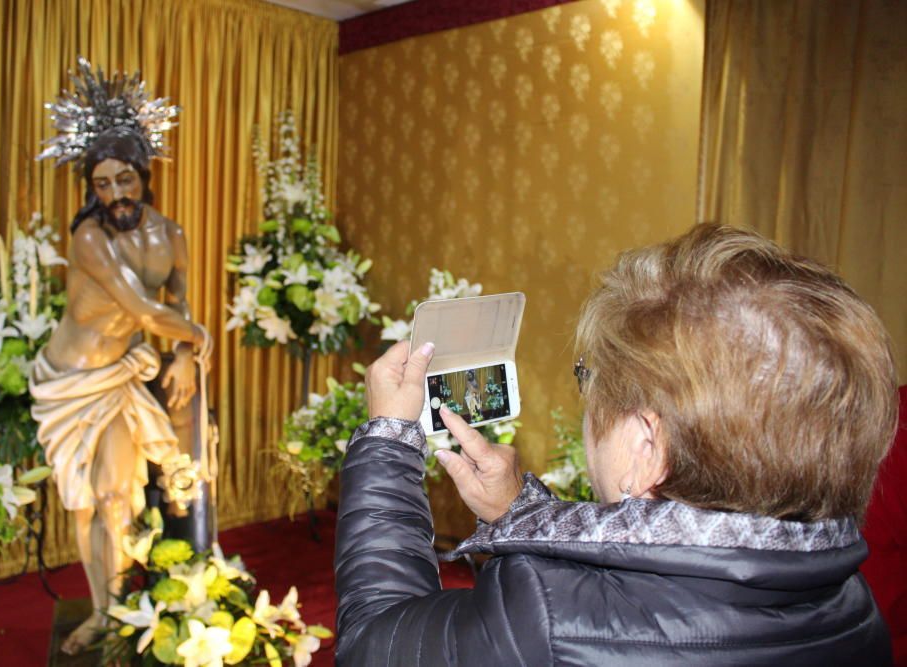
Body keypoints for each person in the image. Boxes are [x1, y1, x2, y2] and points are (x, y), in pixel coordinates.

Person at [334, 224, 897, 666]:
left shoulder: (543, 613)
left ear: (645, 445)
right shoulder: (853, 601)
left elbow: (371, 641)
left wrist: (389, 441)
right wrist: (520, 510)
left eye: (590, 380)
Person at [30, 127, 211, 654]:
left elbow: (176, 305)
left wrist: (183, 354)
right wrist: (198, 341)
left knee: (118, 498)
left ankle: (113, 615)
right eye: (103, 184)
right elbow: (145, 312)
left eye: (125, 180)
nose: (116, 195)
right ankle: (98, 610)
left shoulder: (170, 234)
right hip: (69, 382)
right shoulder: (90, 238)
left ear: (145, 177)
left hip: (119, 376)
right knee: (84, 504)